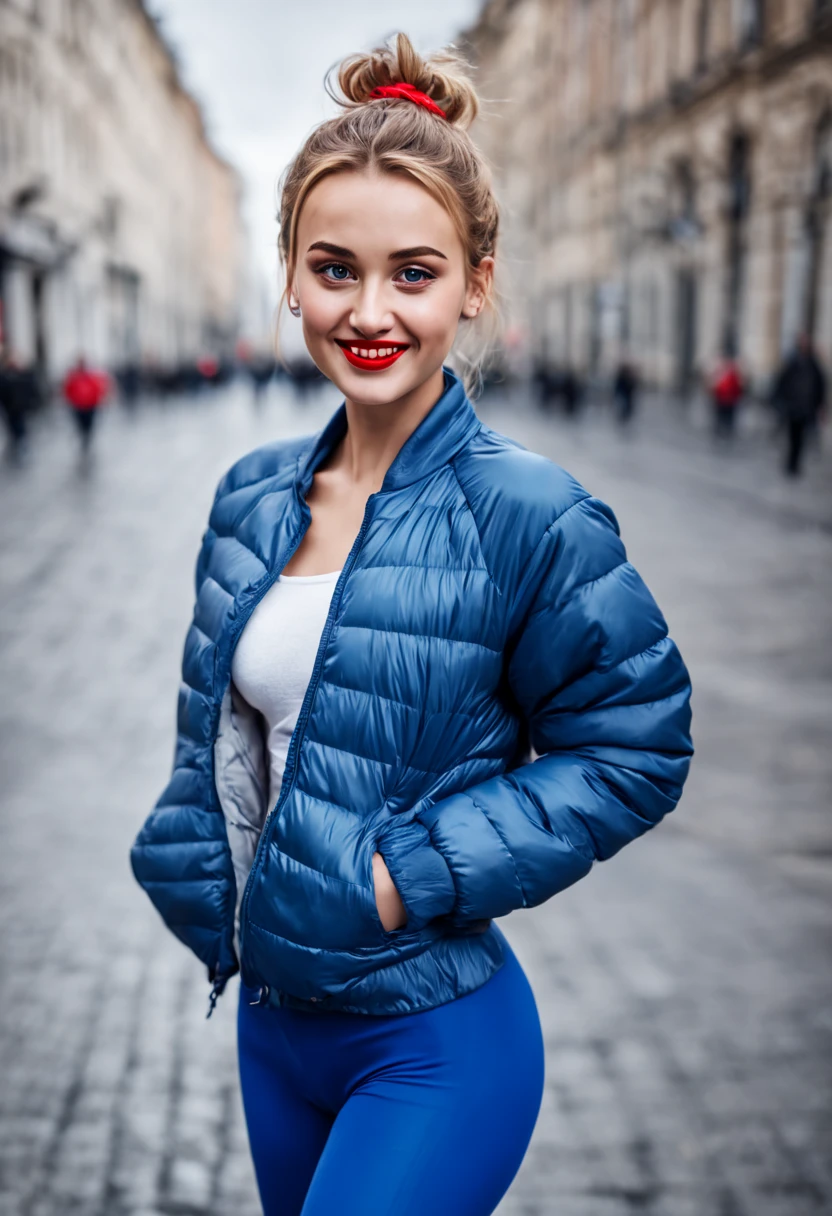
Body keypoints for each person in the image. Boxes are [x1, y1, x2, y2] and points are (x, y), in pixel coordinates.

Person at [130, 34, 693, 1216]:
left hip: (434, 1041)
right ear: (288, 272)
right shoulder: (250, 493)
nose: (370, 310)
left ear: (474, 283)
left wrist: (407, 870)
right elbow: (232, 739)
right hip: (277, 1033)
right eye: (334, 268)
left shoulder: (526, 511)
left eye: (414, 272)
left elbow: (636, 746)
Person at [772, 333, 827, 477]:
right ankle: (790, 463)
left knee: (801, 438)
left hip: (806, 407)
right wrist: (779, 401)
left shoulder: (813, 364)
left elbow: (820, 386)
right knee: (792, 435)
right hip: (793, 406)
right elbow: (782, 381)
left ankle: (795, 464)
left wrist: (821, 406)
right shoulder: (792, 361)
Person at [62, 356, 109, 453]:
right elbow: (68, 389)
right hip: (78, 405)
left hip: (90, 405)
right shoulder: (73, 376)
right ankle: (84, 437)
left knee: (89, 425)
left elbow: (97, 389)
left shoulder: (91, 376)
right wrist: (70, 400)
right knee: (80, 424)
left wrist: (98, 400)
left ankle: (87, 438)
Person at [710, 351, 744, 438]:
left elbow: (737, 387)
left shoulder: (733, 375)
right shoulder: (721, 373)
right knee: (721, 415)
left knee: (728, 416)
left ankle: (727, 430)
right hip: (722, 399)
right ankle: (720, 429)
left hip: (729, 400)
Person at [613, 358, 638, 424]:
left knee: (626, 407)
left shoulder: (628, 378)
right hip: (624, 395)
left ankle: (625, 418)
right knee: (623, 407)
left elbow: (632, 387)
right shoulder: (622, 377)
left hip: (627, 396)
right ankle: (623, 418)